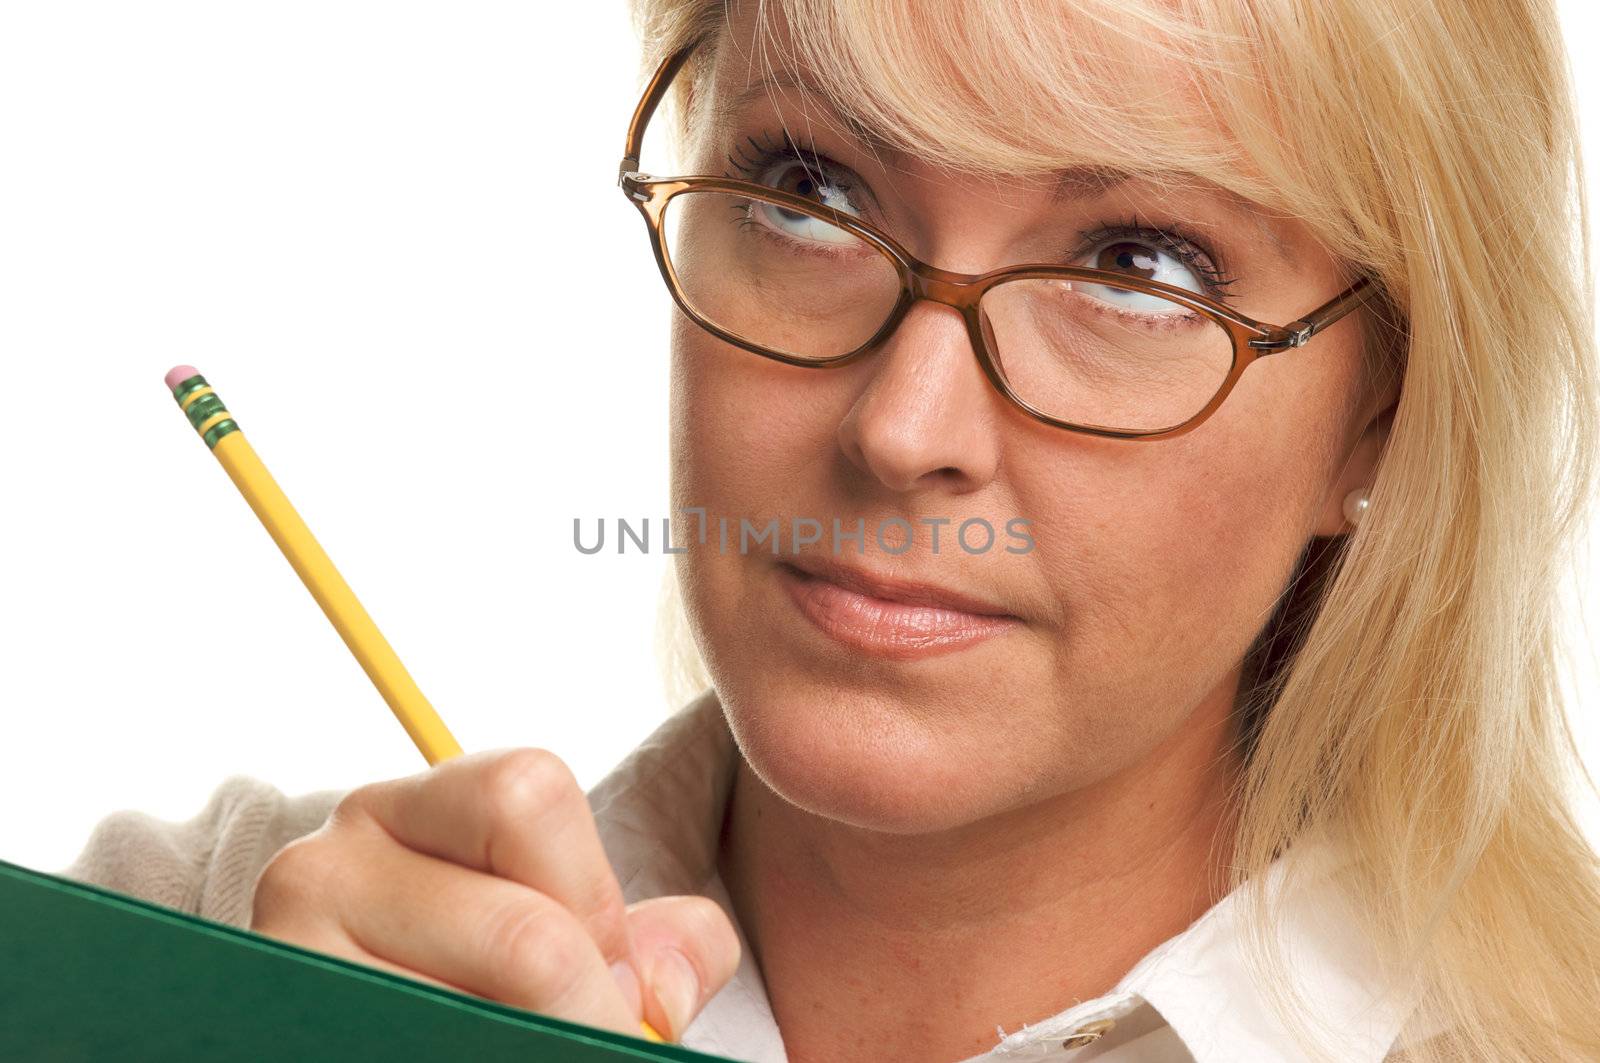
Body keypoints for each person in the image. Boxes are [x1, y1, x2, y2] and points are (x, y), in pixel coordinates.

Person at [64, 0, 1600, 1059]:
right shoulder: (198, 944)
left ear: (1385, 420)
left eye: (1140, 265)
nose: (900, 428)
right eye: (808, 191)